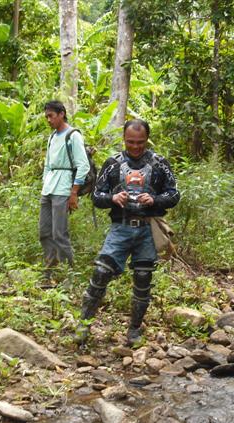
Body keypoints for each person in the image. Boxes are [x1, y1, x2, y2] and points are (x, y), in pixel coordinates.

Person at [78, 119, 180, 345]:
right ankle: (83, 326)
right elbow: (96, 196)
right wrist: (112, 198)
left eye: (140, 142)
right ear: (124, 139)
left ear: (147, 139)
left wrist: (154, 199)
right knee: (101, 272)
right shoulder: (112, 163)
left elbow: (174, 194)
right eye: (130, 142)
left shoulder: (159, 163)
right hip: (120, 228)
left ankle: (134, 329)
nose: (135, 146)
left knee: (143, 278)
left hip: (147, 230)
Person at [39, 100, 90, 279]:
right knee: (44, 232)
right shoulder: (52, 136)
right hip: (48, 188)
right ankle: (50, 270)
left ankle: (69, 274)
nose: (48, 120)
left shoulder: (73, 136)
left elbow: (83, 165)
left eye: (51, 116)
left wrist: (73, 192)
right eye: (46, 117)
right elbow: (47, 164)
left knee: (59, 233)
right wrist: (45, 182)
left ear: (61, 114)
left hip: (63, 187)